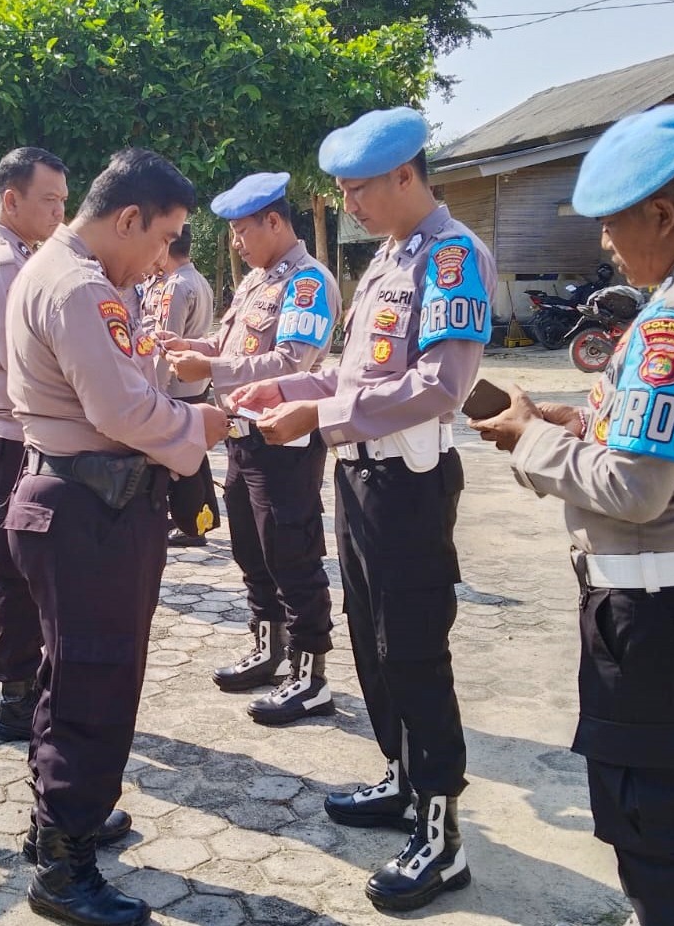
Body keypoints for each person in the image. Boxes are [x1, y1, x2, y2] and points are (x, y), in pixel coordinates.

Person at [471, 105, 674, 926]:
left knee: (653, 830)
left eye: (612, 225)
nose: (605, 246)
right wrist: (576, 424)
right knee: (662, 815)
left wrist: (528, 442)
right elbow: (667, 443)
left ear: (662, 214)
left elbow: (637, 490)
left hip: (653, 612)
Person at [232, 108, 496, 912]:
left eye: (358, 189)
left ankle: (442, 832)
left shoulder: (452, 259)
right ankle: (400, 777)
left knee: (415, 649)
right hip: (360, 478)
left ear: (405, 176)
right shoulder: (387, 261)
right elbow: (356, 376)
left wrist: (320, 415)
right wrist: (294, 388)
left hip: (410, 485)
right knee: (373, 643)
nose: (348, 204)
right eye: (342, 191)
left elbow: (439, 385)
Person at [5, 148, 228, 926]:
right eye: (162, 237)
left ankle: (58, 822)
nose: (164, 257)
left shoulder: (75, 275)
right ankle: (66, 870)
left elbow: (129, 390)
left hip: (86, 505)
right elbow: (123, 413)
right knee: (94, 683)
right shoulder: (76, 285)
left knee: (73, 675)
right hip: (88, 511)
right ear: (127, 218)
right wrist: (205, 424)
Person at [165, 172, 341, 726]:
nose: (236, 243)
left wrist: (210, 368)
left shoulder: (307, 282)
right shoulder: (256, 282)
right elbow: (226, 342)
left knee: (293, 555)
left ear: (274, 221)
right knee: (251, 552)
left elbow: (293, 363)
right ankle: (268, 651)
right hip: (242, 440)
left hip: (283, 440)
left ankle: (310, 676)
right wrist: (189, 347)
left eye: (242, 231)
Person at [0, 146, 69, 742]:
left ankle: (27, 681)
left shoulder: (20, 253)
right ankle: (17, 694)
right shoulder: (3, 263)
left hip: (17, 431)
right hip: (9, 434)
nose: (60, 212)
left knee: (26, 568)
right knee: (16, 570)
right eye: (49, 200)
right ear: (12, 199)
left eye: (63, 200)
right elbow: (22, 360)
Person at [144, 225, 218, 549]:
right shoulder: (197, 279)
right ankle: (200, 517)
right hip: (196, 382)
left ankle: (190, 524)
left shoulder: (174, 287)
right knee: (196, 456)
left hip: (177, 384)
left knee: (182, 458)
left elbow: (166, 345)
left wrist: (155, 391)